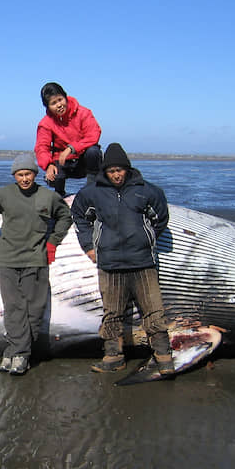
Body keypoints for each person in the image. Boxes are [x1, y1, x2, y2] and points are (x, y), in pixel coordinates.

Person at [71, 143, 175, 375]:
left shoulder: (147, 190)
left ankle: (163, 356)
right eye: (111, 170)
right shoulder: (92, 193)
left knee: (154, 311)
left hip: (143, 263)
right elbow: (79, 217)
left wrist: (145, 239)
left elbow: (160, 219)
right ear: (105, 171)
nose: (117, 174)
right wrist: (89, 246)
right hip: (110, 263)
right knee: (112, 312)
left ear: (127, 169)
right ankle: (113, 356)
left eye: (120, 169)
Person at [0, 152, 72, 375]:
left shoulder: (47, 197)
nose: (24, 179)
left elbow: (65, 217)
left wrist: (52, 243)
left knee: (34, 308)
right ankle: (18, 353)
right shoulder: (2, 195)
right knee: (13, 307)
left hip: (36, 259)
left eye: (28, 174)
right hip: (7, 259)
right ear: (15, 175)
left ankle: (16, 352)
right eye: (20, 175)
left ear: (35, 174)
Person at [34, 81, 103, 196]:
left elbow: (93, 134)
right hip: (63, 162)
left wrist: (71, 148)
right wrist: (48, 165)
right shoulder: (45, 123)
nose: (59, 105)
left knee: (93, 151)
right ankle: (59, 194)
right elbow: (41, 147)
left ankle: (92, 189)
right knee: (53, 175)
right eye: (53, 103)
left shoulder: (83, 113)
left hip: (82, 160)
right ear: (48, 107)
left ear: (65, 97)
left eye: (60, 100)